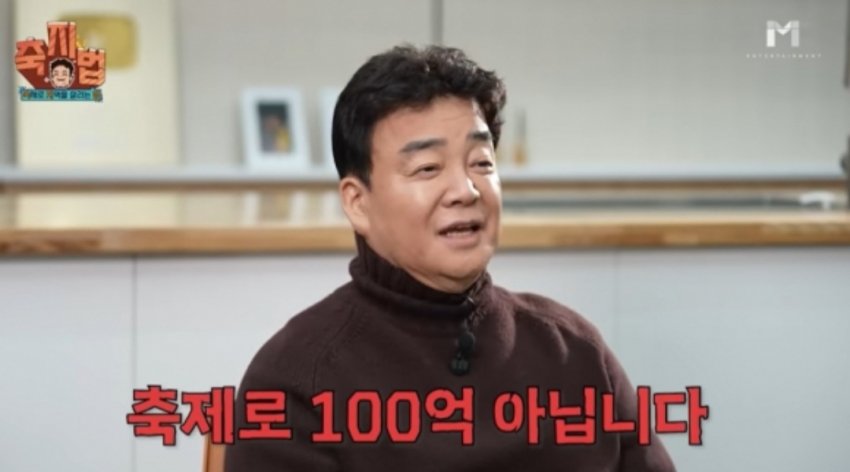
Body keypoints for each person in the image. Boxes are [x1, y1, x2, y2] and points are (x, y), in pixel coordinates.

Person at [225, 44, 676, 471]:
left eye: (481, 163)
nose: (465, 190)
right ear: (358, 203)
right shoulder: (297, 383)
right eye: (427, 168)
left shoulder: (573, 351)